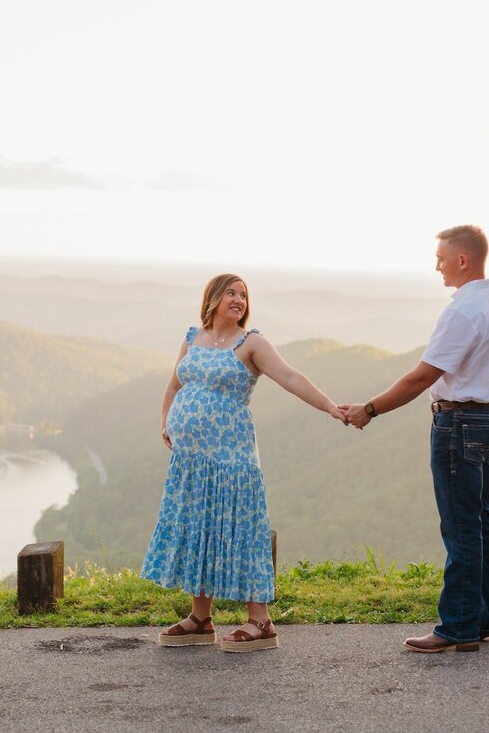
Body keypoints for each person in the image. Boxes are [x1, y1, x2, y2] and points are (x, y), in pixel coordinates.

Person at [142, 273, 348, 653]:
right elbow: (174, 385)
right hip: (191, 461)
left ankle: (261, 621)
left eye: (243, 295)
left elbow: (289, 376)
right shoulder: (193, 338)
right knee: (199, 528)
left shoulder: (251, 342)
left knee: (241, 529)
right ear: (213, 298)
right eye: (231, 293)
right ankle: (200, 618)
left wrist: (331, 407)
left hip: (231, 459)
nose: (238, 299)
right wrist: (166, 421)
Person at [341, 225, 489, 653]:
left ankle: (458, 627)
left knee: (461, 528)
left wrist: (369, 409)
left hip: (458, 424)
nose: (436, 264)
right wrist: (487, 409)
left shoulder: (463, 311)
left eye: (441, 257)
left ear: (462, 259)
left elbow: (423, 376)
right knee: (480, 523)